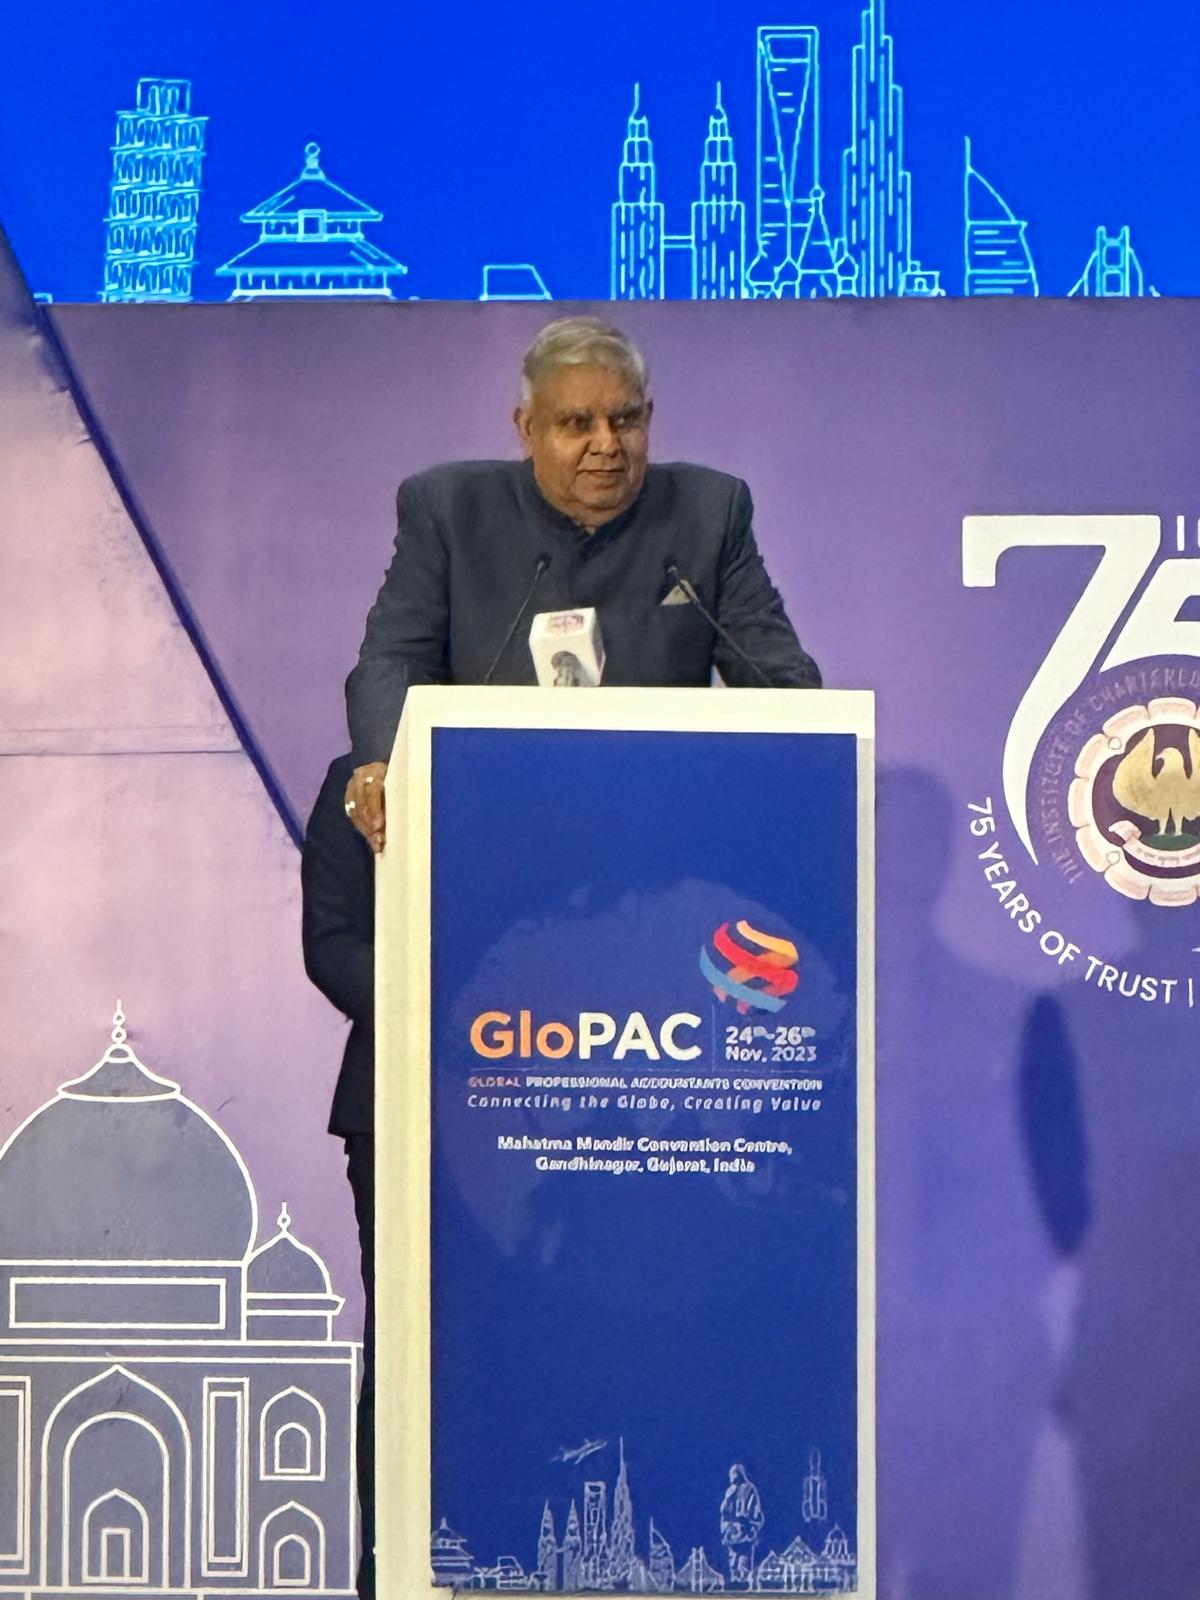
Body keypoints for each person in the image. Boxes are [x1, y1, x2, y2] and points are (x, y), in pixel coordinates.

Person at [342, 315, 820, 849]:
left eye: (625, 420)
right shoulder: (452, 511)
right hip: (492, 809)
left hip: (660, 813)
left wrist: (817, 741)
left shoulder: (707, 514)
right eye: (577, 424)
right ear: (527, 428)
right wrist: (384, 760)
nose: (607, 443)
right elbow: (396, 656)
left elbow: (774, 670)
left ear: (649, 418)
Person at [300, 753, 376, 1599]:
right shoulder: (369, 776)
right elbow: (332, 945)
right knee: (407, 1342)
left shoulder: (592, 759)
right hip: (400, 1104)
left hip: (587, 1108)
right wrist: (460, 1012)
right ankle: (392, 1568)